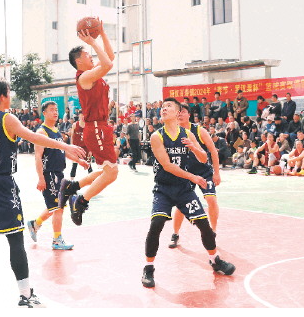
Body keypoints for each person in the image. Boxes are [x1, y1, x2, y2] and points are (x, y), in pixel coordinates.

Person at [0, 76, 88, 308]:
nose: (10, 95)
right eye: (9, 92)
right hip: (1, 183)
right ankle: (26, 295)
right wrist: (66, 145)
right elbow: (35, 137)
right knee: (15, 238)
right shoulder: (7, 119)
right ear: (2, 96)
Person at [141, 98, 235, 288]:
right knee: (156, 224)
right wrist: (193, 177)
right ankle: (148, 268)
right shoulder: (157, 136)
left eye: (168, 106)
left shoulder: (188, 133)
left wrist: (193, 147)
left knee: (204, 225)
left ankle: (215, 260)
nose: (163, 109)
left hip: (183, 189)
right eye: (162, 107)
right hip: (164, 189)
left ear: (177, 113)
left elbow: (203, 157)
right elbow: (167, 165)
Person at [58, 21, 120, 227]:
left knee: (106, 171)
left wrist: (102, 33)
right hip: (96, 128)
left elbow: (109, 58)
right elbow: (108, 64)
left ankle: (72, 186)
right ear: (79, 61)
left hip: (100, 127)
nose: (92, 56)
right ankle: (80, 200)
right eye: (87, 54)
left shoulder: (94, 72)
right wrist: (93, 42)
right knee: (112, 173)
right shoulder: (84, 77)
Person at [27, 101, 98, 251]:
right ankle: (56, 240)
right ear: (44, 113)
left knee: (56, 206)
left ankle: (35, 224)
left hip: (59, 173)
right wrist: (41, 178)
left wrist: (79, 161)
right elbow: (38, 156)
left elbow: (62, 151)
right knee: (58, 208)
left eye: (56, 110)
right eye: (51, 110)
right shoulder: (41, 132)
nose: (55, 112)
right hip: (50, 173)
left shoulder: (56, 131)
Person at [169, 103, 221, 248]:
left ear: (189, 115)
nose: (180, 114)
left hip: (204, 172)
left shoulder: (199, 130)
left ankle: (213, 232)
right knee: (180, 205)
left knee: (211, 199)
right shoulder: (173, 132)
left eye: (183, 111)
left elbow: (213, 151)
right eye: (178, 112)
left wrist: (217, 173)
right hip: (186, 173)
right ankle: (175, 234)